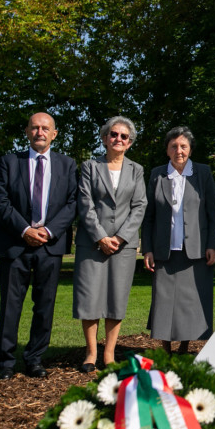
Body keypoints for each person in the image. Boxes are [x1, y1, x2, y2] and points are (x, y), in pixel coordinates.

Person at [0, 112, 78, 379]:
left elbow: (73, 203)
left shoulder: (67, 165)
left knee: (44, 305)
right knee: (10, 305)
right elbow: (1, 201)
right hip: (15, 244)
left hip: (50, 246)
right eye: (35, 127)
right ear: (27, 132)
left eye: (45, 128)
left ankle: (35, 359)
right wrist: (25, 230)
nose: (40, 132)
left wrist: (48, 231)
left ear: (54, 134)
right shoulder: (9, 162)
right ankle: (6, 362)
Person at [72, 116, 147, 373]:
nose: (118, 139)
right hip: (92, 244)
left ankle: (109, 353)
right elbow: (85, 203)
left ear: (129, 142)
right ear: (105, 138)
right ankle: (91, 353)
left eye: (124, 136)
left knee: (116, 299)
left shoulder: (136, 170)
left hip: (123, 246)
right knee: (89, 298)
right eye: (113, 134)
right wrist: (101, 237)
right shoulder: (90, 167)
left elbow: (139, 206)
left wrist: (120, 237)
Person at [141, 126, 215, 354]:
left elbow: (213, 213)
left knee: (190, 302)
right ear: (167, 150)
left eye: (183, 146)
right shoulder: (157, 174)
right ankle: (166, 349)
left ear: (190, 149)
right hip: (164, 251)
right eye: (174, 146)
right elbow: (149, 216)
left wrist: (212, 245)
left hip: (196, 251)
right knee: (163, 303)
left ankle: (185, 347)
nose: (179, 151)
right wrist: (147, 249)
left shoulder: (203, 173)